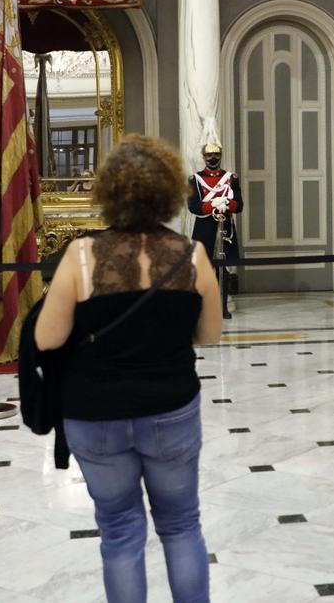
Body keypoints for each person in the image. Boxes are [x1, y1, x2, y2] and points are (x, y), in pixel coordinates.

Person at [36, 135, 222, 603]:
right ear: (168, 192)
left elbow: (47, 339)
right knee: (181, 527)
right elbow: (209, 335)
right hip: (171, 408)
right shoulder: (191, 256)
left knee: (119, 533)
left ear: (107, 192)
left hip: (95, 414)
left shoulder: (80, 256)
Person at [186, 142, 242, 317]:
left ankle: (222, 307)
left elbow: (239, 205)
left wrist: (226, 204)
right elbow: (193, 206)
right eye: (209, 155)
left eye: (216, 155)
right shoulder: (195, 179)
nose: (213, 158)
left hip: (225, 227)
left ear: (221, 156)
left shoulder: (231, 178)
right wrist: (213, 204)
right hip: (204, 228)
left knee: (223, 270)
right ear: (204, 157)